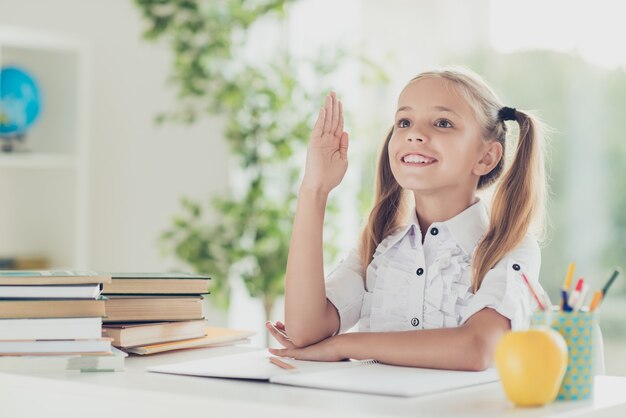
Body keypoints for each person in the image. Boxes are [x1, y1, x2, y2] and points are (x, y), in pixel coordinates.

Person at [266, 67, 547, 371]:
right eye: (404, 121)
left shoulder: (511, 249)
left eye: (442, 123)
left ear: (486, 157)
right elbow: (304, 332)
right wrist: (315, 189)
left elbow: (478, 348)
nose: (414, 133)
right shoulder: (378, 246)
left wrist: (342, 345)